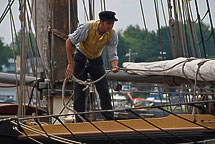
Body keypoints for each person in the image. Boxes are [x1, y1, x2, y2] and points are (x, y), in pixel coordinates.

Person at [65, 11, 119, 122]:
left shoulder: (112, 34)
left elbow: (113, 55)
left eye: (112, 23)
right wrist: (71, 64)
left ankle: (109, 119)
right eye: (108, 23)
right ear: (101, 22)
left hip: (96, 59)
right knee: (79, 91)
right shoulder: (87, 28)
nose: (111, 26)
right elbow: (69, 42)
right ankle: (79, 120)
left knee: (103, 89)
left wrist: (115, 66)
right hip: (81, 57)